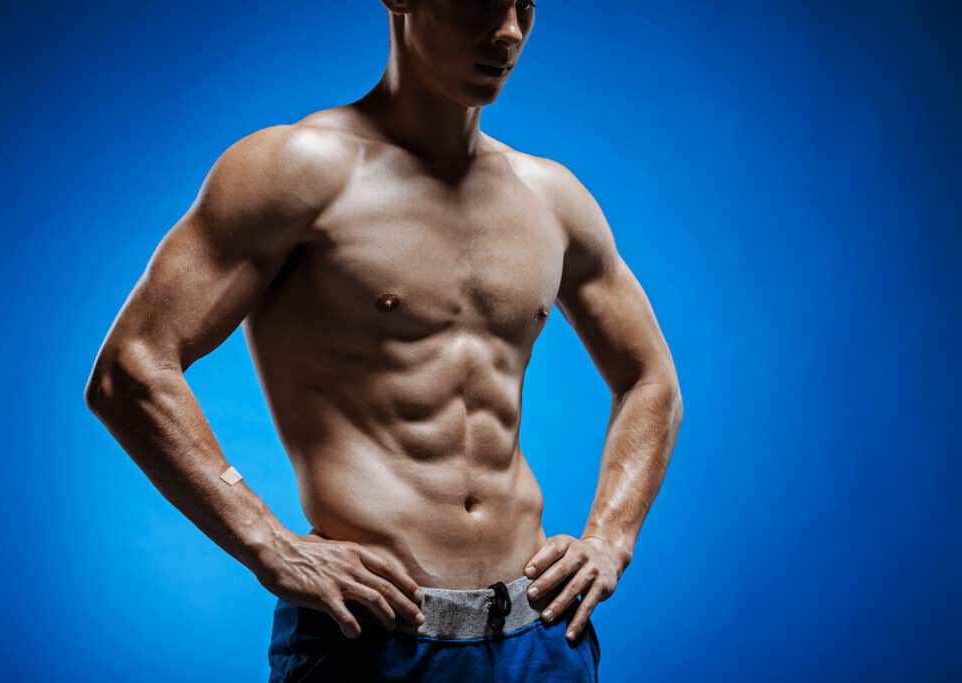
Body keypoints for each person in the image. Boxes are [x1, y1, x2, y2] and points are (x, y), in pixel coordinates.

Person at [84, 0, 683, 680]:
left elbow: (650, 378)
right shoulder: (297, 170)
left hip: (539, 634)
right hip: (370, 641)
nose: (509, 31)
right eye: (484, 2)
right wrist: (267, 541)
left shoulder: (551, 197)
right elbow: (129, 368)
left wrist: (611, 537)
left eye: (525, 4)